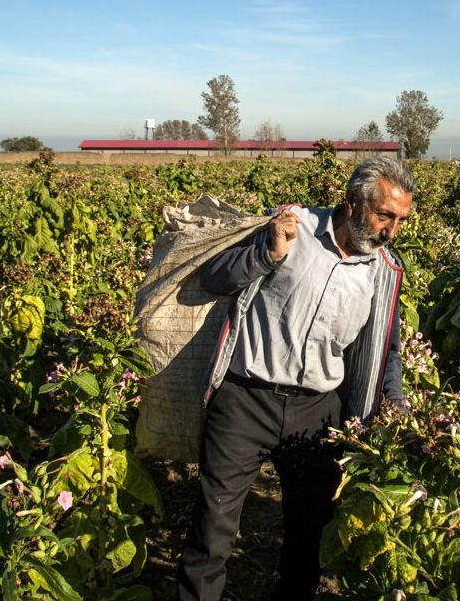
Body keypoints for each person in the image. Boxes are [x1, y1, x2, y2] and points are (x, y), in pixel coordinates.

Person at [177, 156, 415, 601]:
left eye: (401, 219)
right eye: (384, 215)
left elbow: (388, 350)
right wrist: (266, 254)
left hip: (319, 414)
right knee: (213, 530)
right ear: (352, 202)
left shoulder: (384, 271)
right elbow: (213, 277)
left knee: (309, 539)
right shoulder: (291, 227)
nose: (391, 230)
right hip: (245, 401)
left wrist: (396, 407)